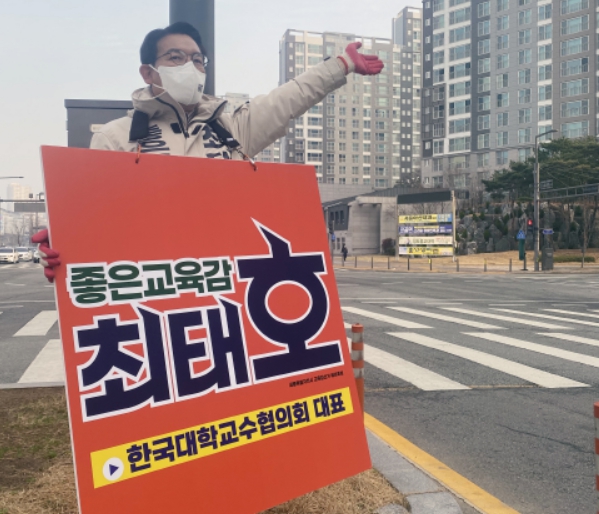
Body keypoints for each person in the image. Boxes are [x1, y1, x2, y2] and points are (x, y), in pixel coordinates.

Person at [33, 22, 384, 281]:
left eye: (198, 59)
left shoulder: (230, 129)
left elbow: (288, 98)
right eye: (176, 57)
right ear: (148, 72)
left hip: (224, 285)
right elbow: (97, 218)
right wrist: (68, 246)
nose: (191, 66)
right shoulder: (115, 138)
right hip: (150, 285)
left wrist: (340, 64)